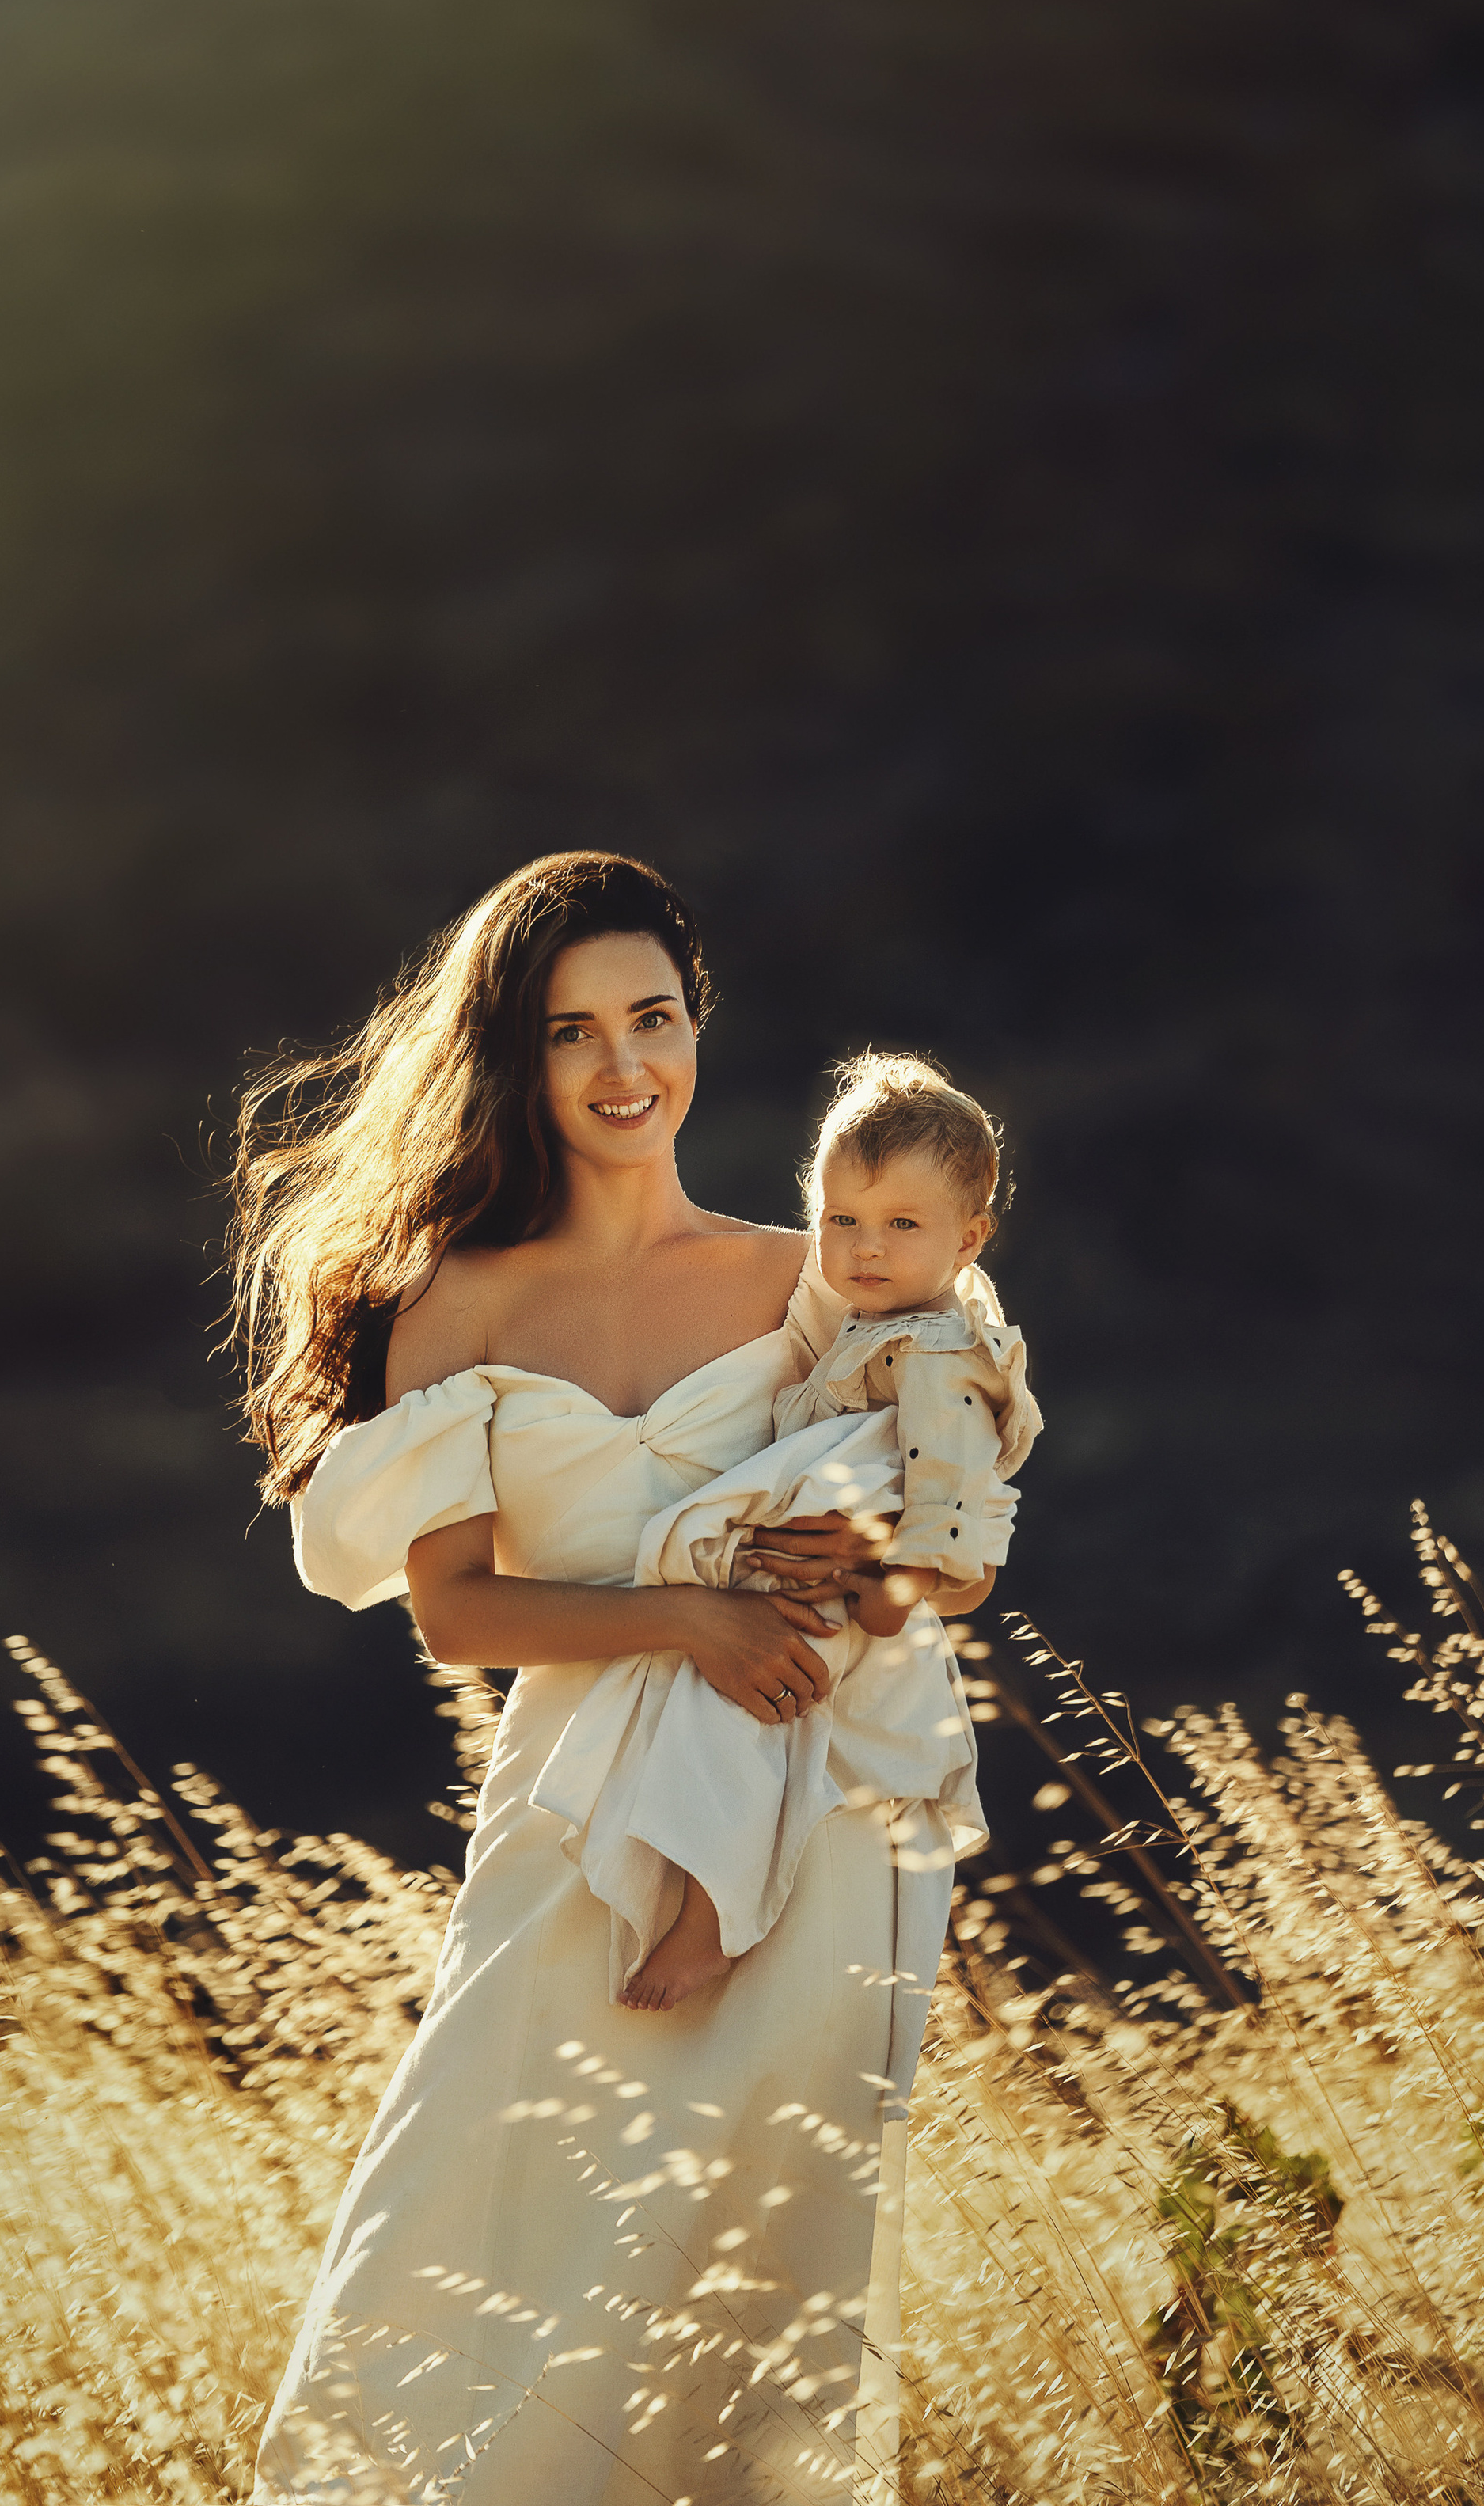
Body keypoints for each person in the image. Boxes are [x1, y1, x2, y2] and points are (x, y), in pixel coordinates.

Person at [230, 852, 1000, 2505]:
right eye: (575, 1033)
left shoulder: (812, 1272)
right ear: (515, 1057)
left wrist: (854, 1579)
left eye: (652, 1018)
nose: (623, 1067)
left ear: (695, 1028)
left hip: (805, 1825)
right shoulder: (452, 1305)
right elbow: (458, 1615)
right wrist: (685, 1619)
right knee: (476, 2229)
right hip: (575, 1831)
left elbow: (924, 1508)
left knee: (746, 2288)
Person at [536, 1053, 1042, 2020]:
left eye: (901, 1226)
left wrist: (900, 1579)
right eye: (841, 1221)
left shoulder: (938, 1349)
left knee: (738, 1724)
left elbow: (950, 1482)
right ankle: (692, 1892)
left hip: (858, 1588)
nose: (864, 1248)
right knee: (719, 1719)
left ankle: (707, 1923)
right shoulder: (858, 1325)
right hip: (809, 1577)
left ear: (968, 1239)